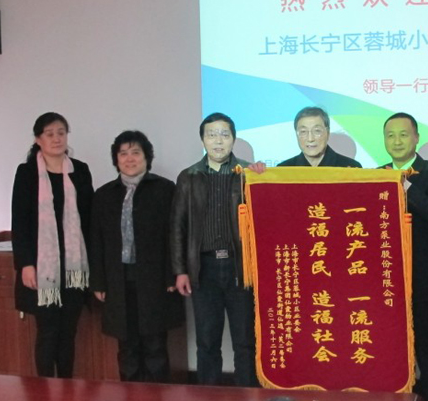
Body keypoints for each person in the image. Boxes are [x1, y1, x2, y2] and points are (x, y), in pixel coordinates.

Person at [171, 112, 257, 386]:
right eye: (211, 135)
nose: (218, 141)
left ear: (233, 139)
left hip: (239, 267)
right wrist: (180, 270)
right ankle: (208, 400)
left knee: (245, 341)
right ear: (202, 140)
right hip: (203, 268)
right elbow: (178, 226)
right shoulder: (189, 177)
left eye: (224, 134)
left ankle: (249, 397)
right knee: (207, 341)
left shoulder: (248, 174)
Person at [90, 130, 184, 382]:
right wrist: (98, 282)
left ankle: (156, 399)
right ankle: (130, 398)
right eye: (123, 153)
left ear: (146, 157)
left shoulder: (165, 189)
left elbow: (175, 235)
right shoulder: (104, 194)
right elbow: (96, 241)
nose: (129, 158)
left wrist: (172, 274)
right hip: (118, 280)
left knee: (155, 346)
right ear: (116, 159)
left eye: (135, 152)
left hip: (155, 279)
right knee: (127, 347)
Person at [11, 112, 93, 378]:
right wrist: (25, 264)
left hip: (73, 268)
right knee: (48, 332)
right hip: (41, 267)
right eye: (50, 134)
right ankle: (45, 392)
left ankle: (66, 388)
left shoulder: (80, 170)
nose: (57, 139)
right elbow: (20, 222)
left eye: (61, 133)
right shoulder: (27, 173)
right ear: (38, 139)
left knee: (68, 332)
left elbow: (89, 219)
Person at [380, 112, 428, 401]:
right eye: (390, 135)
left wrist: (405, 186)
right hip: (385, 282)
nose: (397, 141)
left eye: (403, 134)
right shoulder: (376, 174)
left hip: (423, 281)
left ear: (416, 138)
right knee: (390, 351)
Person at [277, 106, 362, 168]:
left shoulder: (350, 168)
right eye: (303, 132)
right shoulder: (283, 170)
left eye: (317, 131)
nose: (310, 139)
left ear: (328, 133)